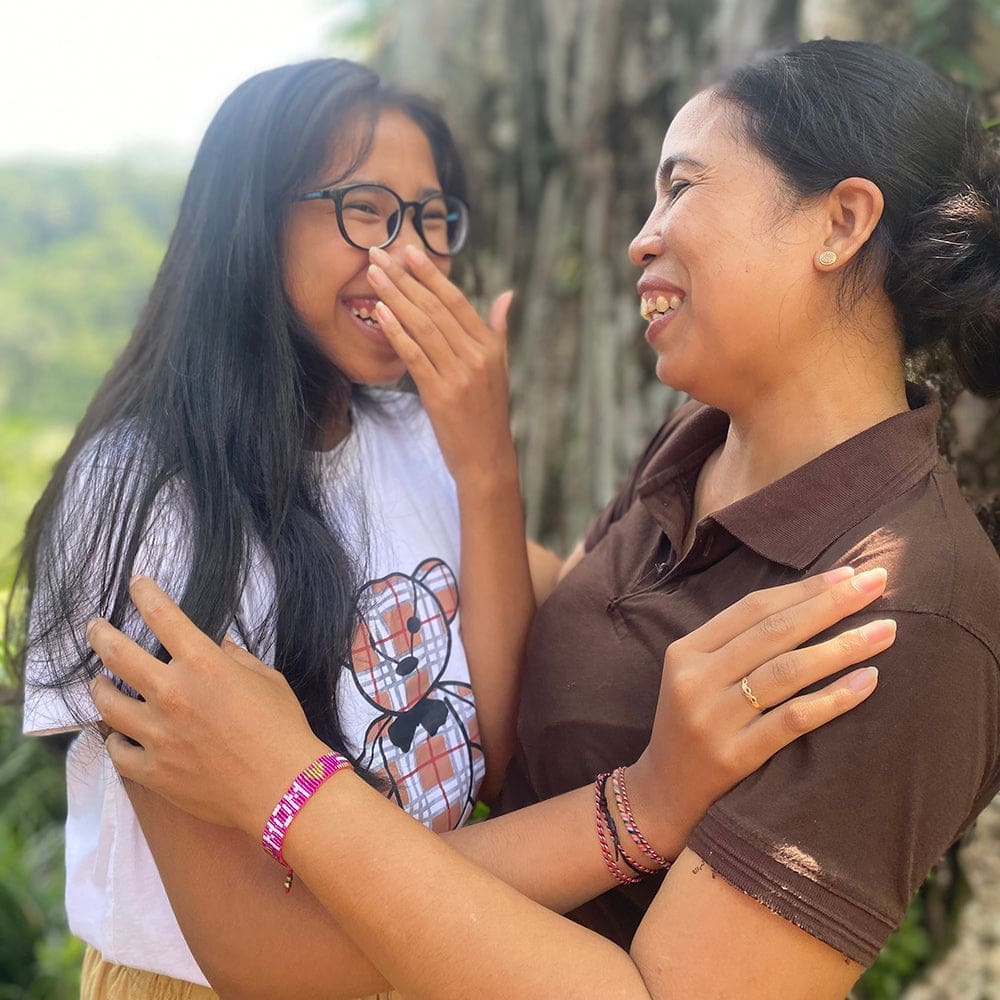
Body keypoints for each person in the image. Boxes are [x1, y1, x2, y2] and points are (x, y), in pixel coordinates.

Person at [89, 38, 1000, 998]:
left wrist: (287, 779)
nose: (641, 237)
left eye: (682, 186)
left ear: (841, 222)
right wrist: (479, 475)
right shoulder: (694, 447)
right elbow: (532, 676)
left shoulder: (908, 604)